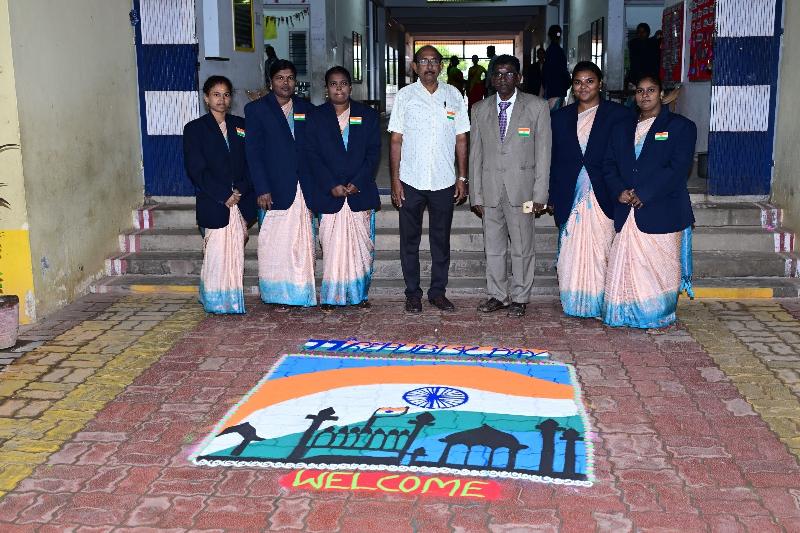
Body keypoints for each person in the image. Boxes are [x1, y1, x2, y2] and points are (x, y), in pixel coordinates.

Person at [602, 74, 696, 328]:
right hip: (626, 208)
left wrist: (645, 193)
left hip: (662, 208)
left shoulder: (681, 127)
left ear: (662, 94)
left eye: (651, 90)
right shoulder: (622, 128)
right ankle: (623, 314)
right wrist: (619, 190)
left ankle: (655, 315)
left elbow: (677, 169)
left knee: (659, 268)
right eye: (640, 91)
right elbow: (608, 164)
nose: (645, 95)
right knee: (626, 266)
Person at [388, 45, 469, 313]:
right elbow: (396, 139)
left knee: (440, 241)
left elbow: (461, 138)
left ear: (441, 66)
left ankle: (437, 292)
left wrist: (462, 177)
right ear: (415, 67)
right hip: (411, 179)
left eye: (434, 61)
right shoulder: (405, 96)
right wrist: (395, 180)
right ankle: (412, 293)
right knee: (409, 242)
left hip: (444, 180)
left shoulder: (454, 95)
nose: (429, 65)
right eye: (423, 61)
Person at [469, 55, 551, 318]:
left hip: (524, 191)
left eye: (509, 73)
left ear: (519, 77)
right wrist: (476, 194)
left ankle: (520, 297)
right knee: (493, 247)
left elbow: (544, 153)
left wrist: (540, 193)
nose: (503, 79)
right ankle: (497, 294)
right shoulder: (479, 109)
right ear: (491, 79)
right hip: (490, 190)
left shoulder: (537, 107)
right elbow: (475, 154)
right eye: (498, 74)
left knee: (522, 246)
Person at [549, 62, 632, 318]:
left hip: (605, 193)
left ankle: (600, 302)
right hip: (569, 192)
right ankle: (574, 301)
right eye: (578, 82)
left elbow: (626, 157)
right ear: (572, 86)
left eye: (589, 81)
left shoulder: (619, 115)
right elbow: (553, 160)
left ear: (600, 84)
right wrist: (550, 195)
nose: (583, 87)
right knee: (571, 250)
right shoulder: (560, 117)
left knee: (602, 250)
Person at [306, 66, 381, 309]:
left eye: (343, 83)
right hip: (330, 194)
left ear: (351, 86)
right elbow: (312, 156)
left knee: (360, 250)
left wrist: (358, 182)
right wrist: (331, 185)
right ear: (327, 89)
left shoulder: (367, 115)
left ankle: (358, 295)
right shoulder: (316, 116)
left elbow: (373, 154)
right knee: (333, 248)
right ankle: (331, 296)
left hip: (360, 192)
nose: (339, 88)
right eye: (333, 84)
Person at [245, 59, 316, 309]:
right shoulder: (256, 110)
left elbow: (313, 148)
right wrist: (262, 188)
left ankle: (300, 292)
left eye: (290, 78)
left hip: (303, 185)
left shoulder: (307, 108)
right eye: (280, 78)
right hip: (273, 188)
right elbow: (253, 153)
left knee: (300, 244)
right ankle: (276, 294)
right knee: (274, 244)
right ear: (270, 82)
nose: (286, 83)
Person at [183, 75, 257, 314]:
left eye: (226, 94)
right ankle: (215, 302)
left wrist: (240, 191)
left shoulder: (241, 125)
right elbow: (197, 170)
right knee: (216, 257)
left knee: (234, 256)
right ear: (206, 98)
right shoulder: (194, 129)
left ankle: (232, 302)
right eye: (216, 94)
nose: (221, 99)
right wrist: (224, 195)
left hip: (240, 201)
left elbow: (250, 164)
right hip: (214, 202)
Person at [542, 25, 571, 110]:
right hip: (557, 90)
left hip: (552, 89)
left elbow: (545, 72)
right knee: (556, 116)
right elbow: (562, 70)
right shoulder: (557, 50)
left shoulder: (550, 50)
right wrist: (568, 82)